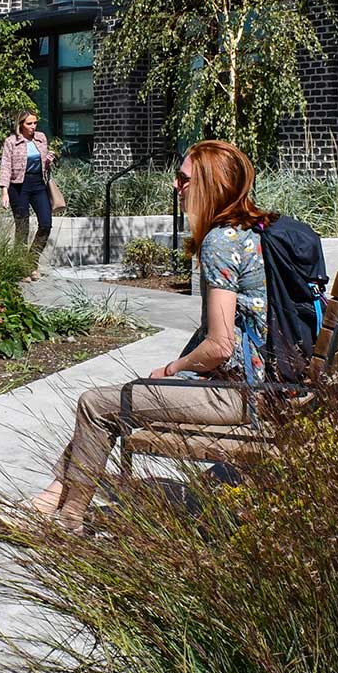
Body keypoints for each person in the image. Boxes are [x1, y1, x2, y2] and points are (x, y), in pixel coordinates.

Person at [32, 139, 274, 530]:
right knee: (120, 398)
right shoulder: (253, 230)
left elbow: (219, 346)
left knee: (96, 404)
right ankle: (47, 502)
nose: (176, 186)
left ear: (211, 184)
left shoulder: (219, 243)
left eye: (184, 178)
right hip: (263, 384)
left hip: (234, 394)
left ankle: (67, 518)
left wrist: (172, 367)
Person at [0, 110, 55, 279]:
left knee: (46, 223)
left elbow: (44, 163)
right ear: (21, 124)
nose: (33, 127)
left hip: (38, 184)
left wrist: (48, 160)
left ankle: (32, 261)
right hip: (18, 187)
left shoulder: (41, 138)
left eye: (35, 123)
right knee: (22, 228)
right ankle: (20, 268)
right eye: (29, 123)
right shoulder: (11, 142)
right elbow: (5, 166)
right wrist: (4, 191)